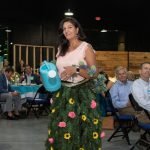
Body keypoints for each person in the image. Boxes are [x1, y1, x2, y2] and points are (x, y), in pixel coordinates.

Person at [45, 17, 102, 150]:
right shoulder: (61, 48)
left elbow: (94, 73)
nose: (66, 30)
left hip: (81, 93)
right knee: (61, 131)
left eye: (70, 27)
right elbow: (57, 69)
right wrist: (47, 71)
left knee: (82, 132)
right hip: (62, 93)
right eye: (64, 29)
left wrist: (75, 69)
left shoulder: (85, 47)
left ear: (77, 29)